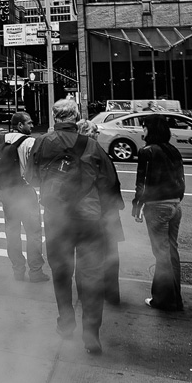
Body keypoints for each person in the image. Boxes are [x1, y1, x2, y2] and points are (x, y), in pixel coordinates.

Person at [25, 98, 120, 356]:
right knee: (91, 275)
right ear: (76, 116)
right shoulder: (91, 145)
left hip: (57, 218)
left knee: (61, 272)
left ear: (55, 117)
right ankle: (91, 334)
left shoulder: (42, 142)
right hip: (89, 219)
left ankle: (66, 322)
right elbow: (109, 181)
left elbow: (32, 178)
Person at [133, 114, 186, 312]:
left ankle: (163, 300)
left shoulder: (147, 152)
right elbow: (181, 179)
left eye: (145, 127)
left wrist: (137, 206)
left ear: (152, 130)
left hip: (157, 207)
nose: (142, 131)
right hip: (175, 205)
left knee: (161, 254)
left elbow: (142, 183)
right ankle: (176, 298)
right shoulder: (173, 150)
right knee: (172, 252)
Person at [0, 112, 49, 283]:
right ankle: (35, 271)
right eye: (29, 123)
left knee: (12, 232)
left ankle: (18, 270)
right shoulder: (29, 142)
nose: (32, 126)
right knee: (34, 233)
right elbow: (36, 170)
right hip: (24, 192)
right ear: (19, 125)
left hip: (6, 193)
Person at [80, 118, 125, 305]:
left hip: (94, 212)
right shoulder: (95, 152)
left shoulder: (83, 153)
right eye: (95, 131)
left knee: (90, 255)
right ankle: (110, 294)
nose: (98, 134)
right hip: (103, 212)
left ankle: (90, 293)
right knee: (108, 254)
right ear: (88, 134)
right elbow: (110, 182)